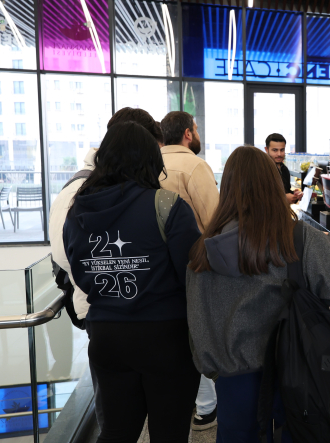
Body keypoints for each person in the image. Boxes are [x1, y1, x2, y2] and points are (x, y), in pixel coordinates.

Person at [186, 145, 330, 442]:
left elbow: (198, 328)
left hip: (232, 386)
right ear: (273, 185)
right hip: (293, 380)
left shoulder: (202, 250)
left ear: (227, 187)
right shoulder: (295, 238)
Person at [62, 122, 201, 442]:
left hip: (106, 336)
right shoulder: (166, 205)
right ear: (152, 160)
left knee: (116, 433)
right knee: (170, 433)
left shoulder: (77, 209)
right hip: (166, 337)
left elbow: (79, 270)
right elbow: (192, 274)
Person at [49, 107, 164, 430]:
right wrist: (110, 279)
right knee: (117, 422)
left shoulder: (113, 186)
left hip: (118, 312)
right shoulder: (79, 190)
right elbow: (65, 255)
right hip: (103, 313)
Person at [159, 110, 220, 430]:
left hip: (156, 269)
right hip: (192, 264)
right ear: (187, 133)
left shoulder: (150, 164)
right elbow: (215, 221)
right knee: (197, 333)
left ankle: (188, 401)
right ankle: (206, 407)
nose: (197, 133)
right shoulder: (194, 165)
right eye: (195, 129)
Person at [265, 133, 303, 204]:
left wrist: (294, 195)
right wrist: (283, 198)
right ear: (266, 149)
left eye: (282, 150)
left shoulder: (284, 169)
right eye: (275, 150)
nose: (279, 154)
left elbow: (285, 192)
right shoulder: (262, 170)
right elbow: (259, 198)